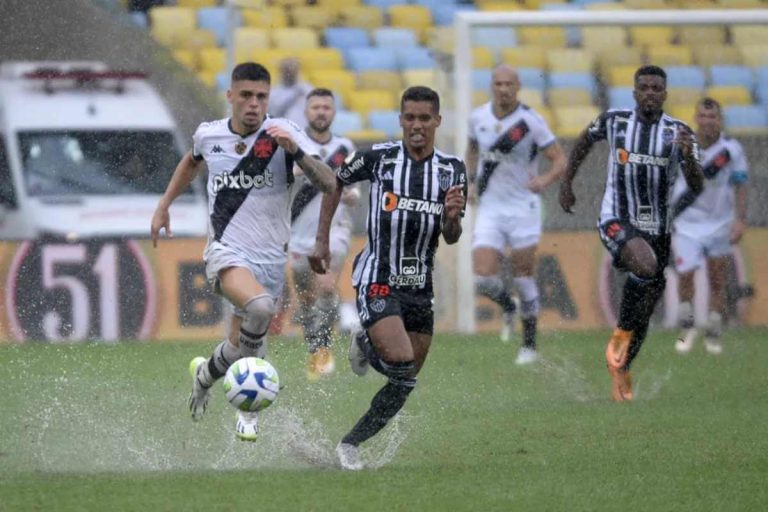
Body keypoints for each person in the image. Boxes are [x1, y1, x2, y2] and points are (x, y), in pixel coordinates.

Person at [150, 62, 336, 441]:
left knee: (238, 348)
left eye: (262, 97)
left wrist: (296, 152)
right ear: (230, 96)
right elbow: (191, 161)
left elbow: (329, 182)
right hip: (226, 252)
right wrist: (164, 203)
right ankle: (248, 413)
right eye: (247, 95)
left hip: (271, 260)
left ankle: (204, 376)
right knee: (261, 309)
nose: (254, 104)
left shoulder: (286, 135)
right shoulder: (210, 135)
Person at [309, 86, 467, 470]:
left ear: (437, 122)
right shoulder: (378, 158)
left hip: (420, 285)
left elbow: (451, 236)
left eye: (424, 118)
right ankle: (366, 341)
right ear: (400, 120)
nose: (416, 125)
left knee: (405, 380)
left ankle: (350, 445)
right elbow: (334, 182)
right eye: (409, 117)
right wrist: (322, 239)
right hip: (378, 275)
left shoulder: (452, 169)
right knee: (398, 359)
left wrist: (450, 218)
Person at [559, 65, 703, 402]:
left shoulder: (680, 133)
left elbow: (697, 186)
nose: (650, 93)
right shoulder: (616, 120)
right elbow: (583, 140)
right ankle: (621, 333)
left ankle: (621, 368)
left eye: (657, 88)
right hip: (617, 217)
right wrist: (567, 182)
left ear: (665, 94)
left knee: (646, 311)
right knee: (644, 265)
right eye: (644, 87)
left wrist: (689, 160)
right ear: (635, 92)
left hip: (660, 230)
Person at [466, 64, 567, 365]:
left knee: (523, 277)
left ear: (518, 86)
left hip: (524, 208)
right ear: (491, 86)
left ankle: (529, 343)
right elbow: (471, 149)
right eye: (498, 84)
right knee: (482, 277)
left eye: (509, 84)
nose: (504, 89)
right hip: (491, 208)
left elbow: (560, 159)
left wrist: (545, 180)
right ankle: (507, 307)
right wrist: (470, 181)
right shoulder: (478, 118)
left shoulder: (531, 122)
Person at [290, 88, 359, 380]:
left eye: (326, 107)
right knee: (306, 298)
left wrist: (351, 195)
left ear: (333, 113)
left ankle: (324, 348)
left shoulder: (345, 147)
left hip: (334, 230)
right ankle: (315, 346)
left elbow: (354, 189)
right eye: (315, 107)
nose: (321, 112)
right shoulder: (294, 145)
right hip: (297, 234)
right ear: (306, 112)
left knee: (327, 286)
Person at [673, 97, 749, 355]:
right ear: (696, 118)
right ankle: (688, 324)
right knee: (685, 275)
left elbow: (741, 184)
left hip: (720, 223)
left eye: (712, 117)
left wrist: (740, 219)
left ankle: (714, 330)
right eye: (703, 116)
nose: (707, 121)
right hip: (687, 222)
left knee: (717, 279)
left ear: (720, 120)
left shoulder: (732, 150)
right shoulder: (684, 145)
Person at [268, 58, 313, 128]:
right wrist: (294, 97)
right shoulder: (273, 92)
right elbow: (274, 114)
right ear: (281, 71)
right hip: (282, 131)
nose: (290, 72)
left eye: (293, 69)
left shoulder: (308, 89)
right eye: (286, 69)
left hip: (305, 132)